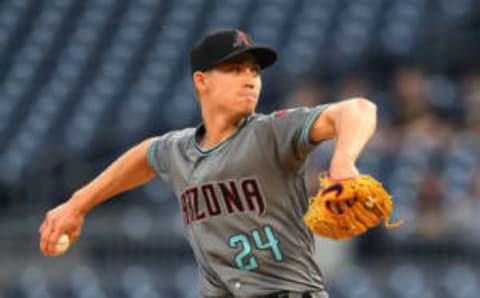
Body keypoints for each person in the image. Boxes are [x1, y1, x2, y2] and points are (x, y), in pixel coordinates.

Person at [39, 29, 378, 298]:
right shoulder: (179, 150)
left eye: (254, 71)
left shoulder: (272, 131)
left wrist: (344, 162)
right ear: (201, 81)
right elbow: (145, 154)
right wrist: (77, 204)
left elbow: (359, 109)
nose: (250, 80)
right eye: (235, 70)